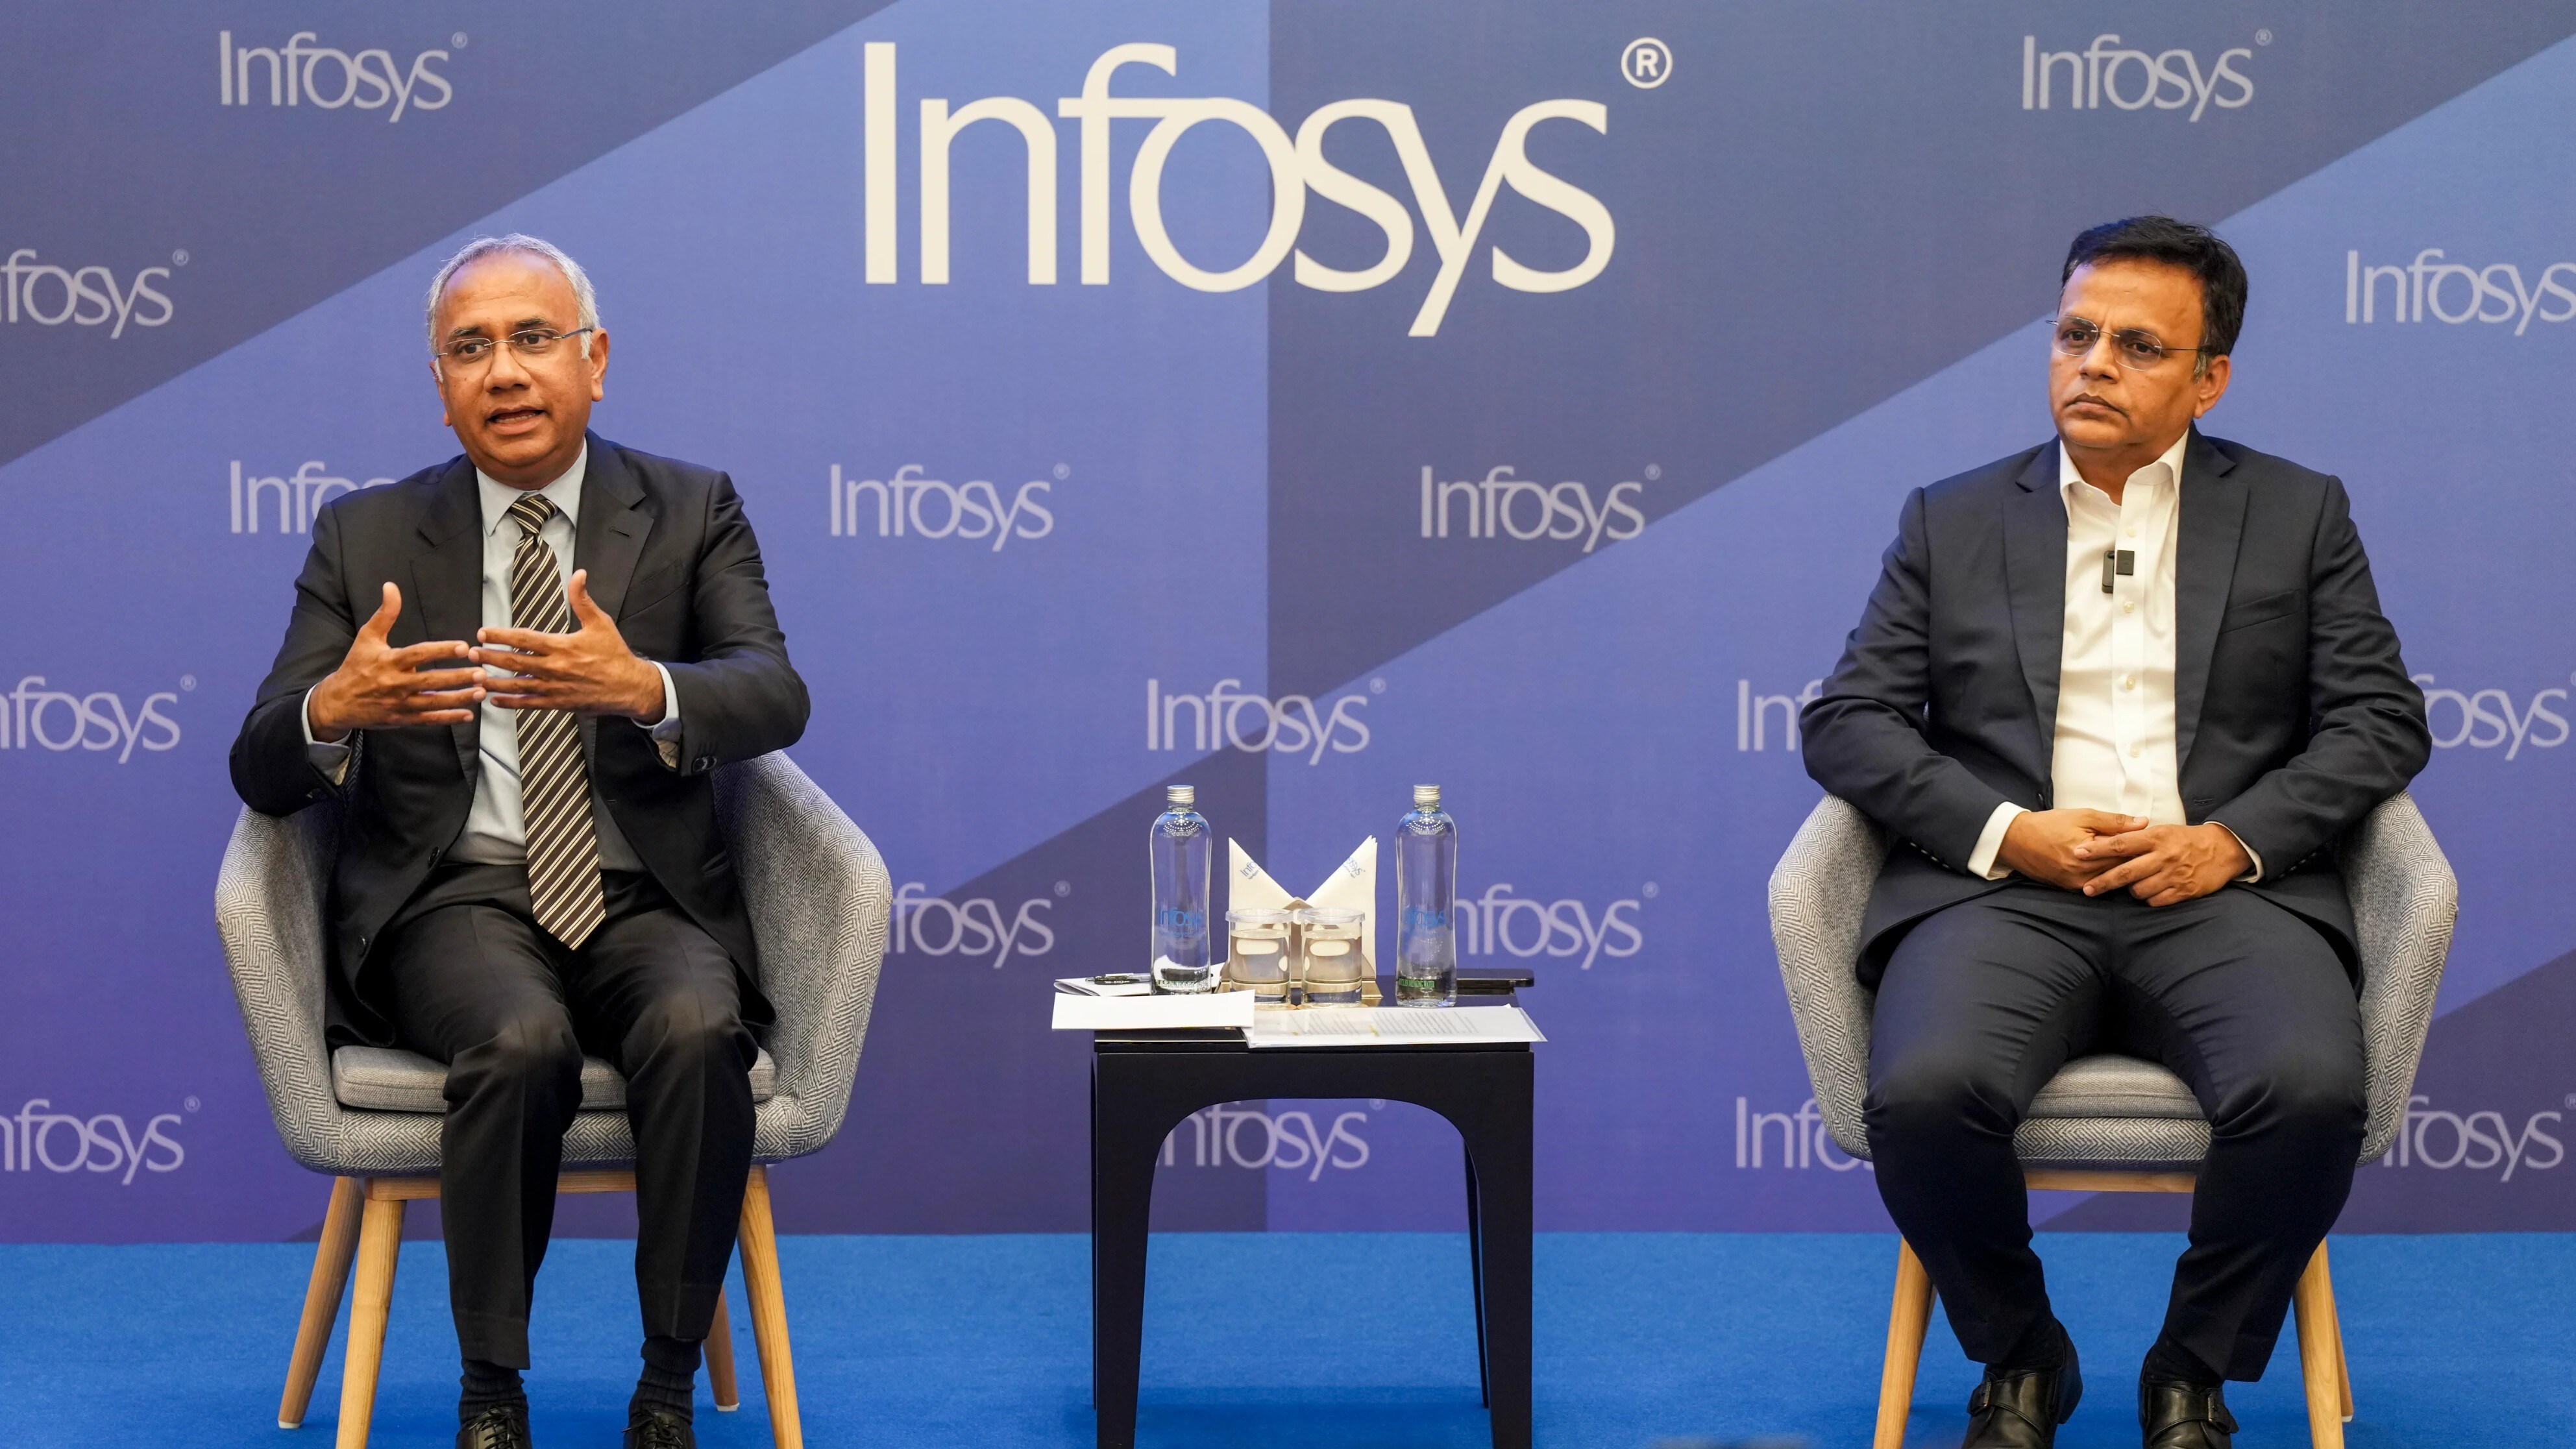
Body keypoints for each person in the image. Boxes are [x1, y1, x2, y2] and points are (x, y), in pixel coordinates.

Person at [1800, 217, 2429, 1449]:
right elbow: (1848, 722)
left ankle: (2191, 1368)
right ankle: (2022, 1354)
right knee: (1922, 1094)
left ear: (2209, 378)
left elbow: (2379, 721)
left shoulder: (2296, 512)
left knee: (2309, 1092)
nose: (2093, 363)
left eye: (2138, 346)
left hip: (2224, 897)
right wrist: (2007, 831)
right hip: (2004, 897)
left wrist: (2229, 840)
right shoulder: (1952, 518)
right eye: (2074, 334)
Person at [230, 234, 808, 1449]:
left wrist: (646, 685)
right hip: (455, 900)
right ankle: (491, 1390)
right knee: (517, 1041)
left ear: (595, 360)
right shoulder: (366, 536)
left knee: (699, 1030)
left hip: (643, 894)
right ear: (440, 385)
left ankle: (664, 1385)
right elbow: (261, 761)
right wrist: (335, 707)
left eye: (533, 338)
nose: (504, 371)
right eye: (471, 347)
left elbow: (773, 693)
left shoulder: (692, 506)